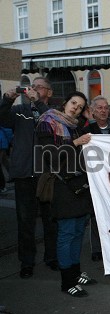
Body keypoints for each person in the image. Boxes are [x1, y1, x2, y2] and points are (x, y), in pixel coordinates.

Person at [36, 91, 96, 297]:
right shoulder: (47, 122)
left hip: (79, 184)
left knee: (79, 232)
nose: (75, 108)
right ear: (65, 103)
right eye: (73, 103)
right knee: (67, 233)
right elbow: (50, 155)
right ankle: (67, 281)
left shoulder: (76, 126)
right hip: (62, 186)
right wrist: (74, 143)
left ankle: (76, 272)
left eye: (80, 107)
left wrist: (88, 121)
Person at [0, 77, 59, 277]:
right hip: (25, 173)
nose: (33, 89)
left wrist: (37, 102)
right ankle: (27, 261)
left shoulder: (52, 112)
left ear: (49, 92)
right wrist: (7, 100)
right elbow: (2, 119)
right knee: (25, 221)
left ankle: (51, 257)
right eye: (31, 86)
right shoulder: (20, 112)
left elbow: (52, 123)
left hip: (47, 174)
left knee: (51, 220)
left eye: (39, 87)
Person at [81, 96, 110, 261]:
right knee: (96, 214)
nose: (103, 110)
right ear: (92, 111)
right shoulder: (87, 131)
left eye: (106, 107)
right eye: (99, 108)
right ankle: (98, 249)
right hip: (95, 179)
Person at [0, 126, 13, 192]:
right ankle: (11, 175)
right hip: (3, 143)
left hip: (1, 143)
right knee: (4, 161)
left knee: (3, 162)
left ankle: (2, 185)